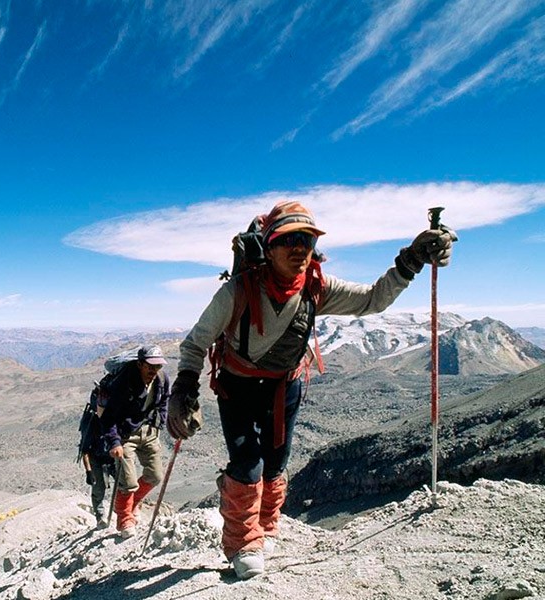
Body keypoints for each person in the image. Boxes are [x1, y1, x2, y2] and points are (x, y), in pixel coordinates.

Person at [166, 200, 456, 579]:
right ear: (268, 247)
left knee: (276, 460)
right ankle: (243, 543)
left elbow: (373, 299)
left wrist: (412, 260)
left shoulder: (317, 287)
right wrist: (185, 387)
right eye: (289, 240)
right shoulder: (238, 291)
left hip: (286, 385)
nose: (300, 248)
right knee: (247, 463)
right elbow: (195, 343)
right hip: (238, 386)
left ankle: (266, 527)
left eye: (306, 239)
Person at [99, 345, 171, 538]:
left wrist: (160, 422)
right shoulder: (124, 383)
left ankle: (133, 504)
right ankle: (124, 519)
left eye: (158, 367)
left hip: (149, 432)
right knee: (128, 481)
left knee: (155, 476)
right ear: (140, 364)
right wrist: (114, 442)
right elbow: (108, 417)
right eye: (150, 366)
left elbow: (164, 401)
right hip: (125, 436)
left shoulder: (162, 379)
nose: (154, 371)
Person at [78, 394, 116, 528]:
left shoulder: (113, 416)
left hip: (113, 456)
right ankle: (100, 518)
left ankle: (124, 512)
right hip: (96, 458)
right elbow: (85, 449)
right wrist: (89, 471)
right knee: (98, 488)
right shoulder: (90, 423)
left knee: (125, 482)